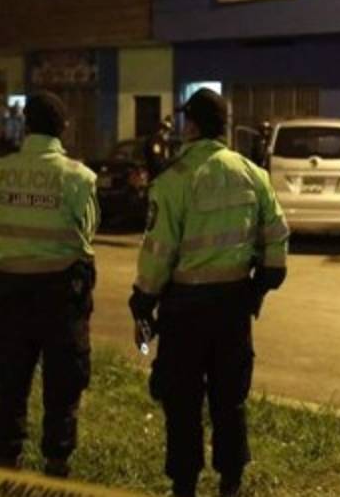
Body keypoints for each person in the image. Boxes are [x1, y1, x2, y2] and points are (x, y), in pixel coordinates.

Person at [128, 88, 289, 497]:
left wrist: (143, 301)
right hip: (233, 307)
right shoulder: (252, 174)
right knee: (229, 398)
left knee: (182, 401)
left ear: (192, 126)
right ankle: (231, 482)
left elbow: (158, 252)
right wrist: (258, 287)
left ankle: (184, 484)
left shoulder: (174, 180)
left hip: (184, 311)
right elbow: (277, 240)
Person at [0, 93, 100, 478]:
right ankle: (56, 464)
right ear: (63, 128)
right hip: (61, 291)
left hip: (10, 289)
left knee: (11, 380)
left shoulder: (0, 171)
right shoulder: (79, 177)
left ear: (27, 125)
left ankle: (7, 462)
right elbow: (87, 232)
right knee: (63, 382)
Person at [143, 116, 175, 181]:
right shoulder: (155, 141)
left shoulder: (166, 142)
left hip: (164, 172)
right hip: (156, 174)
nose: (169, 134)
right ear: (162, 130)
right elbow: (156, 160)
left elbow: (169, 156)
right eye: (168, 132)